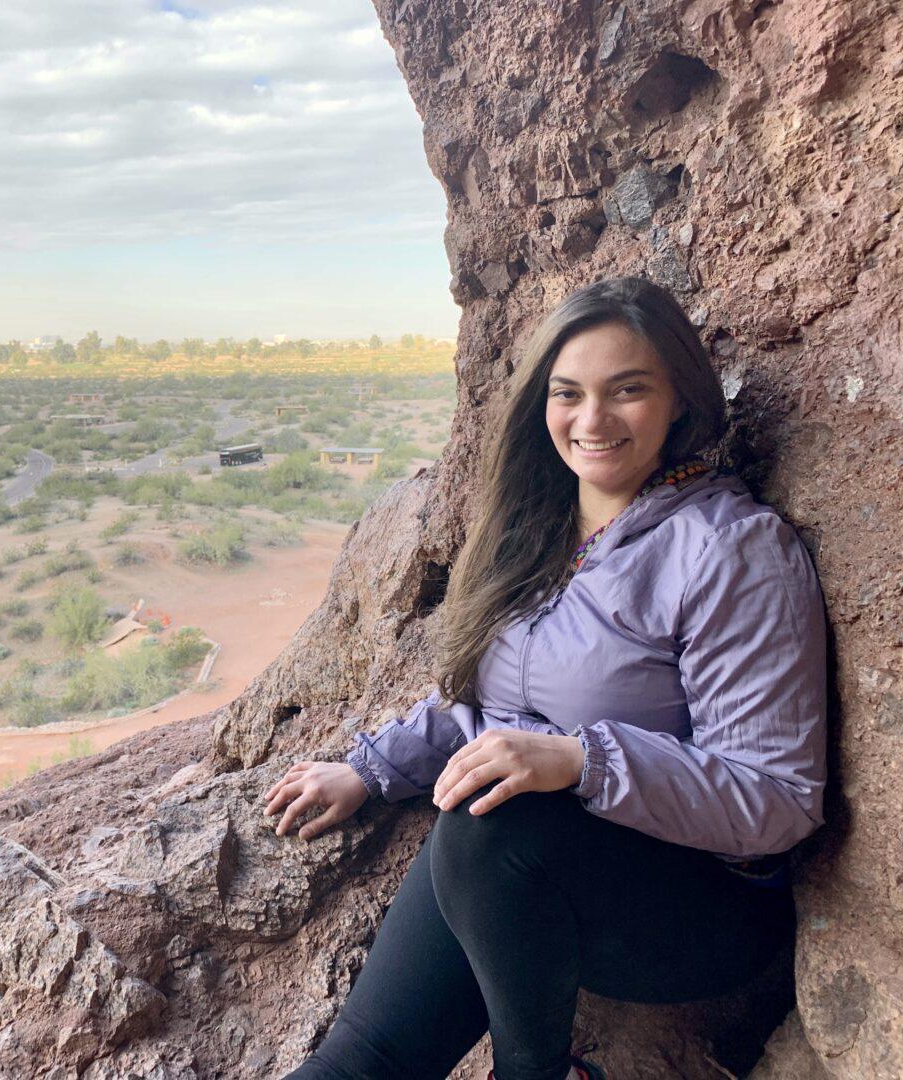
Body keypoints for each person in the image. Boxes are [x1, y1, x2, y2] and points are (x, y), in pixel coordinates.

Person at [266, 277, 827, 1080]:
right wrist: (368, 769)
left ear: (680, 401)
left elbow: (775, 798)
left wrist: (578, 759)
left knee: (487, 825)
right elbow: (494, 711)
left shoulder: (730, 550)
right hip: (512, 870)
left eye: (627, 390)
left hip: (693, 907)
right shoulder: (538, 529)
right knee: (362, 1062)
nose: (591, 420)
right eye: (568, 394)